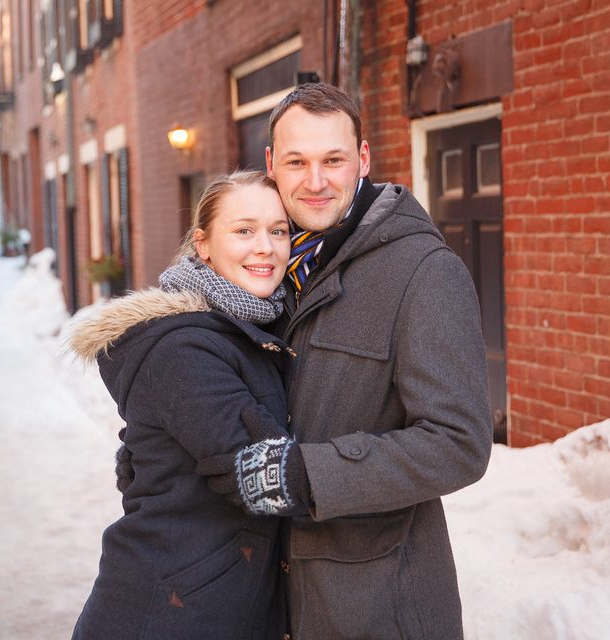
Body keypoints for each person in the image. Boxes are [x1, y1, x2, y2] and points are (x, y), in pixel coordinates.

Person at [196, 83, 494, 639]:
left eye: (333, 160)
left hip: (378, 605)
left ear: (362, 158)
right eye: (296, 162)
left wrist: (311, 475)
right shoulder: (271, 267)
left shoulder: (423, 272)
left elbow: (460, 443)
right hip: (279, 598)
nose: (315, 181)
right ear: (271, 165)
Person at [68, 170, 296, 640]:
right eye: (243, 230)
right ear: (203, 244)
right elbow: (259, 474)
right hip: (165, 612)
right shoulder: (183, 348)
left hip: (216, 604)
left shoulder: (257, 330)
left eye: (279, 230)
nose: (266, 247)